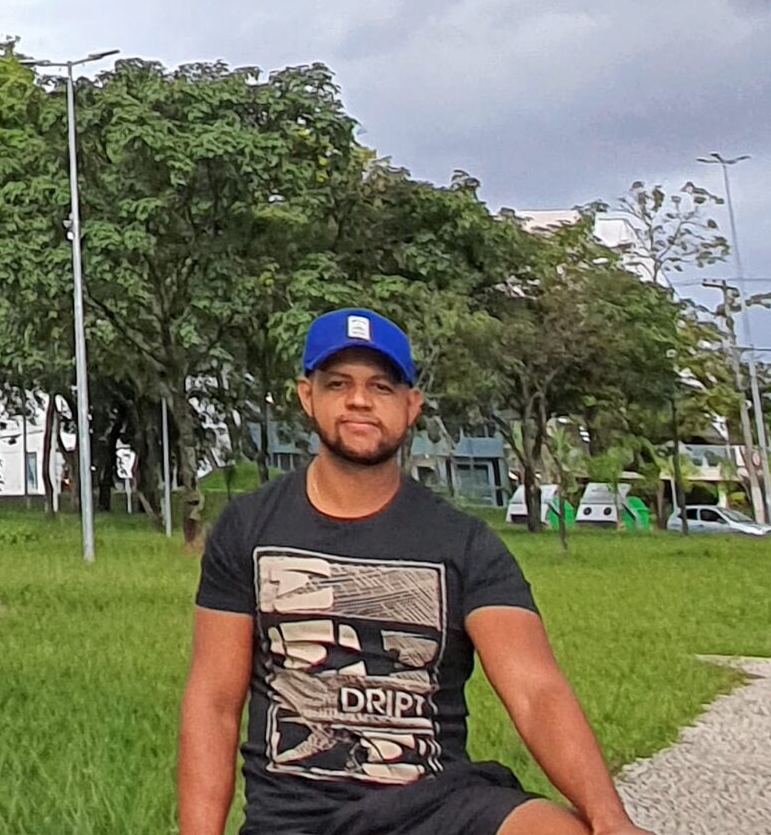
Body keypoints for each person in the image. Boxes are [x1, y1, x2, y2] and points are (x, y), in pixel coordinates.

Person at [176, 308, 655, 835]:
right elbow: (214, 702)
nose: (360, 400)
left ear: (411, 406)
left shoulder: (465, 544)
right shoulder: (249, 529)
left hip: (436, 808)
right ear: (306, 396)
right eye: (339, 383)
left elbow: (535, 691)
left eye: (381, 387)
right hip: (295, 818)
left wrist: (611, 819)